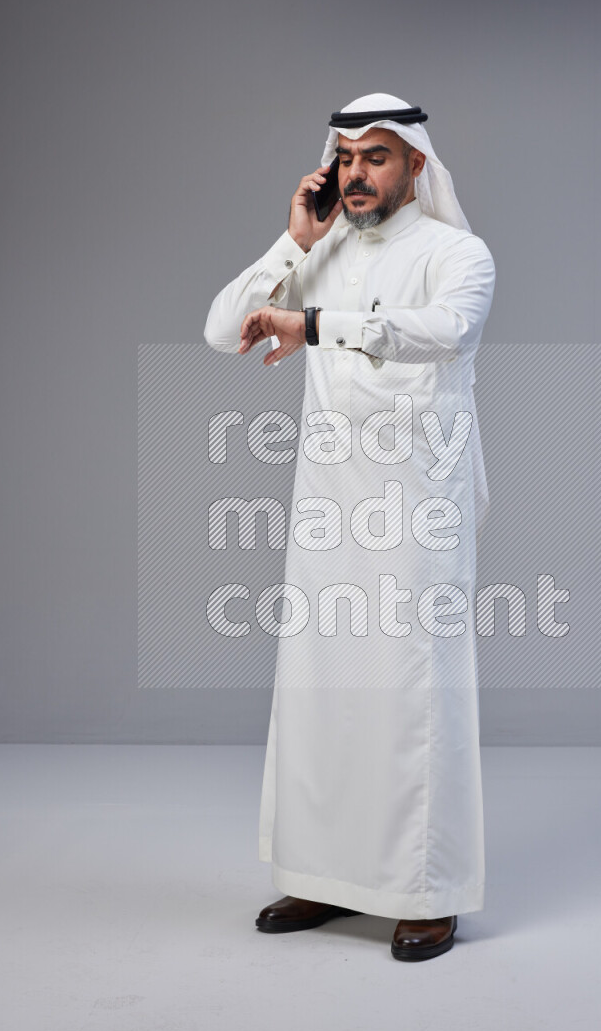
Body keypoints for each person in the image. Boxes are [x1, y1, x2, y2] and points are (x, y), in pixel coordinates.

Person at [203, 93, 495, 961]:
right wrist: (294, 241)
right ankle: (325, 877)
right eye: (347, 155)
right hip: (329, 502)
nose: (358, 172)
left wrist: (316, 323)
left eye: (377, 155)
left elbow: (444, 331)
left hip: (416, 500)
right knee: (320, 686)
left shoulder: (458, 253)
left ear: (414, 164)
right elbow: (223, 330)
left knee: (414, 691)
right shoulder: (320, 251)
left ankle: (428, 890)